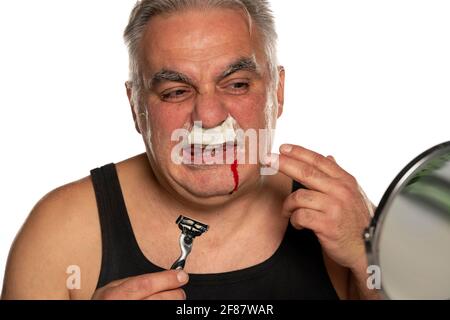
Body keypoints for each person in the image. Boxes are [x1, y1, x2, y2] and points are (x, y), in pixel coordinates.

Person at [1, 0, 379, 300]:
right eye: (176, 92)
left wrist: (369, 259)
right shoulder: (60, 232)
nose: (210, 117)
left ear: (277, 92)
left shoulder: (343, 221)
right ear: (137, 108)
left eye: (236, 84)